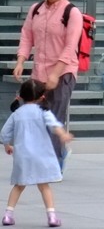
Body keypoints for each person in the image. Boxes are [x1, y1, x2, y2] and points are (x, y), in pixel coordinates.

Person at [13, 0, 82, 166]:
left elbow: (70, 47)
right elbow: (27, 36)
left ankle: (53, 164)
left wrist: (56, 74)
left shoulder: (72, 13)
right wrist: (20, 60)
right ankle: (47, 157)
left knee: (53, 118)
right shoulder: (36, 9)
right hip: (38, 73)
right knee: (36, 117)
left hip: (63, 73)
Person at [0, 81, 73, 228]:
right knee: (44, 186)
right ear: (42, 96)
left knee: (19, 185)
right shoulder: (43, 111)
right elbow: (54, 125)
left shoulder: (17, 114)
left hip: (23, 156)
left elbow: (4, 133)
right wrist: (63, 134)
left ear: (21, 96)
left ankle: (8, 215)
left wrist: (7, 145)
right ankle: (51, 216)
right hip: (41, 155)